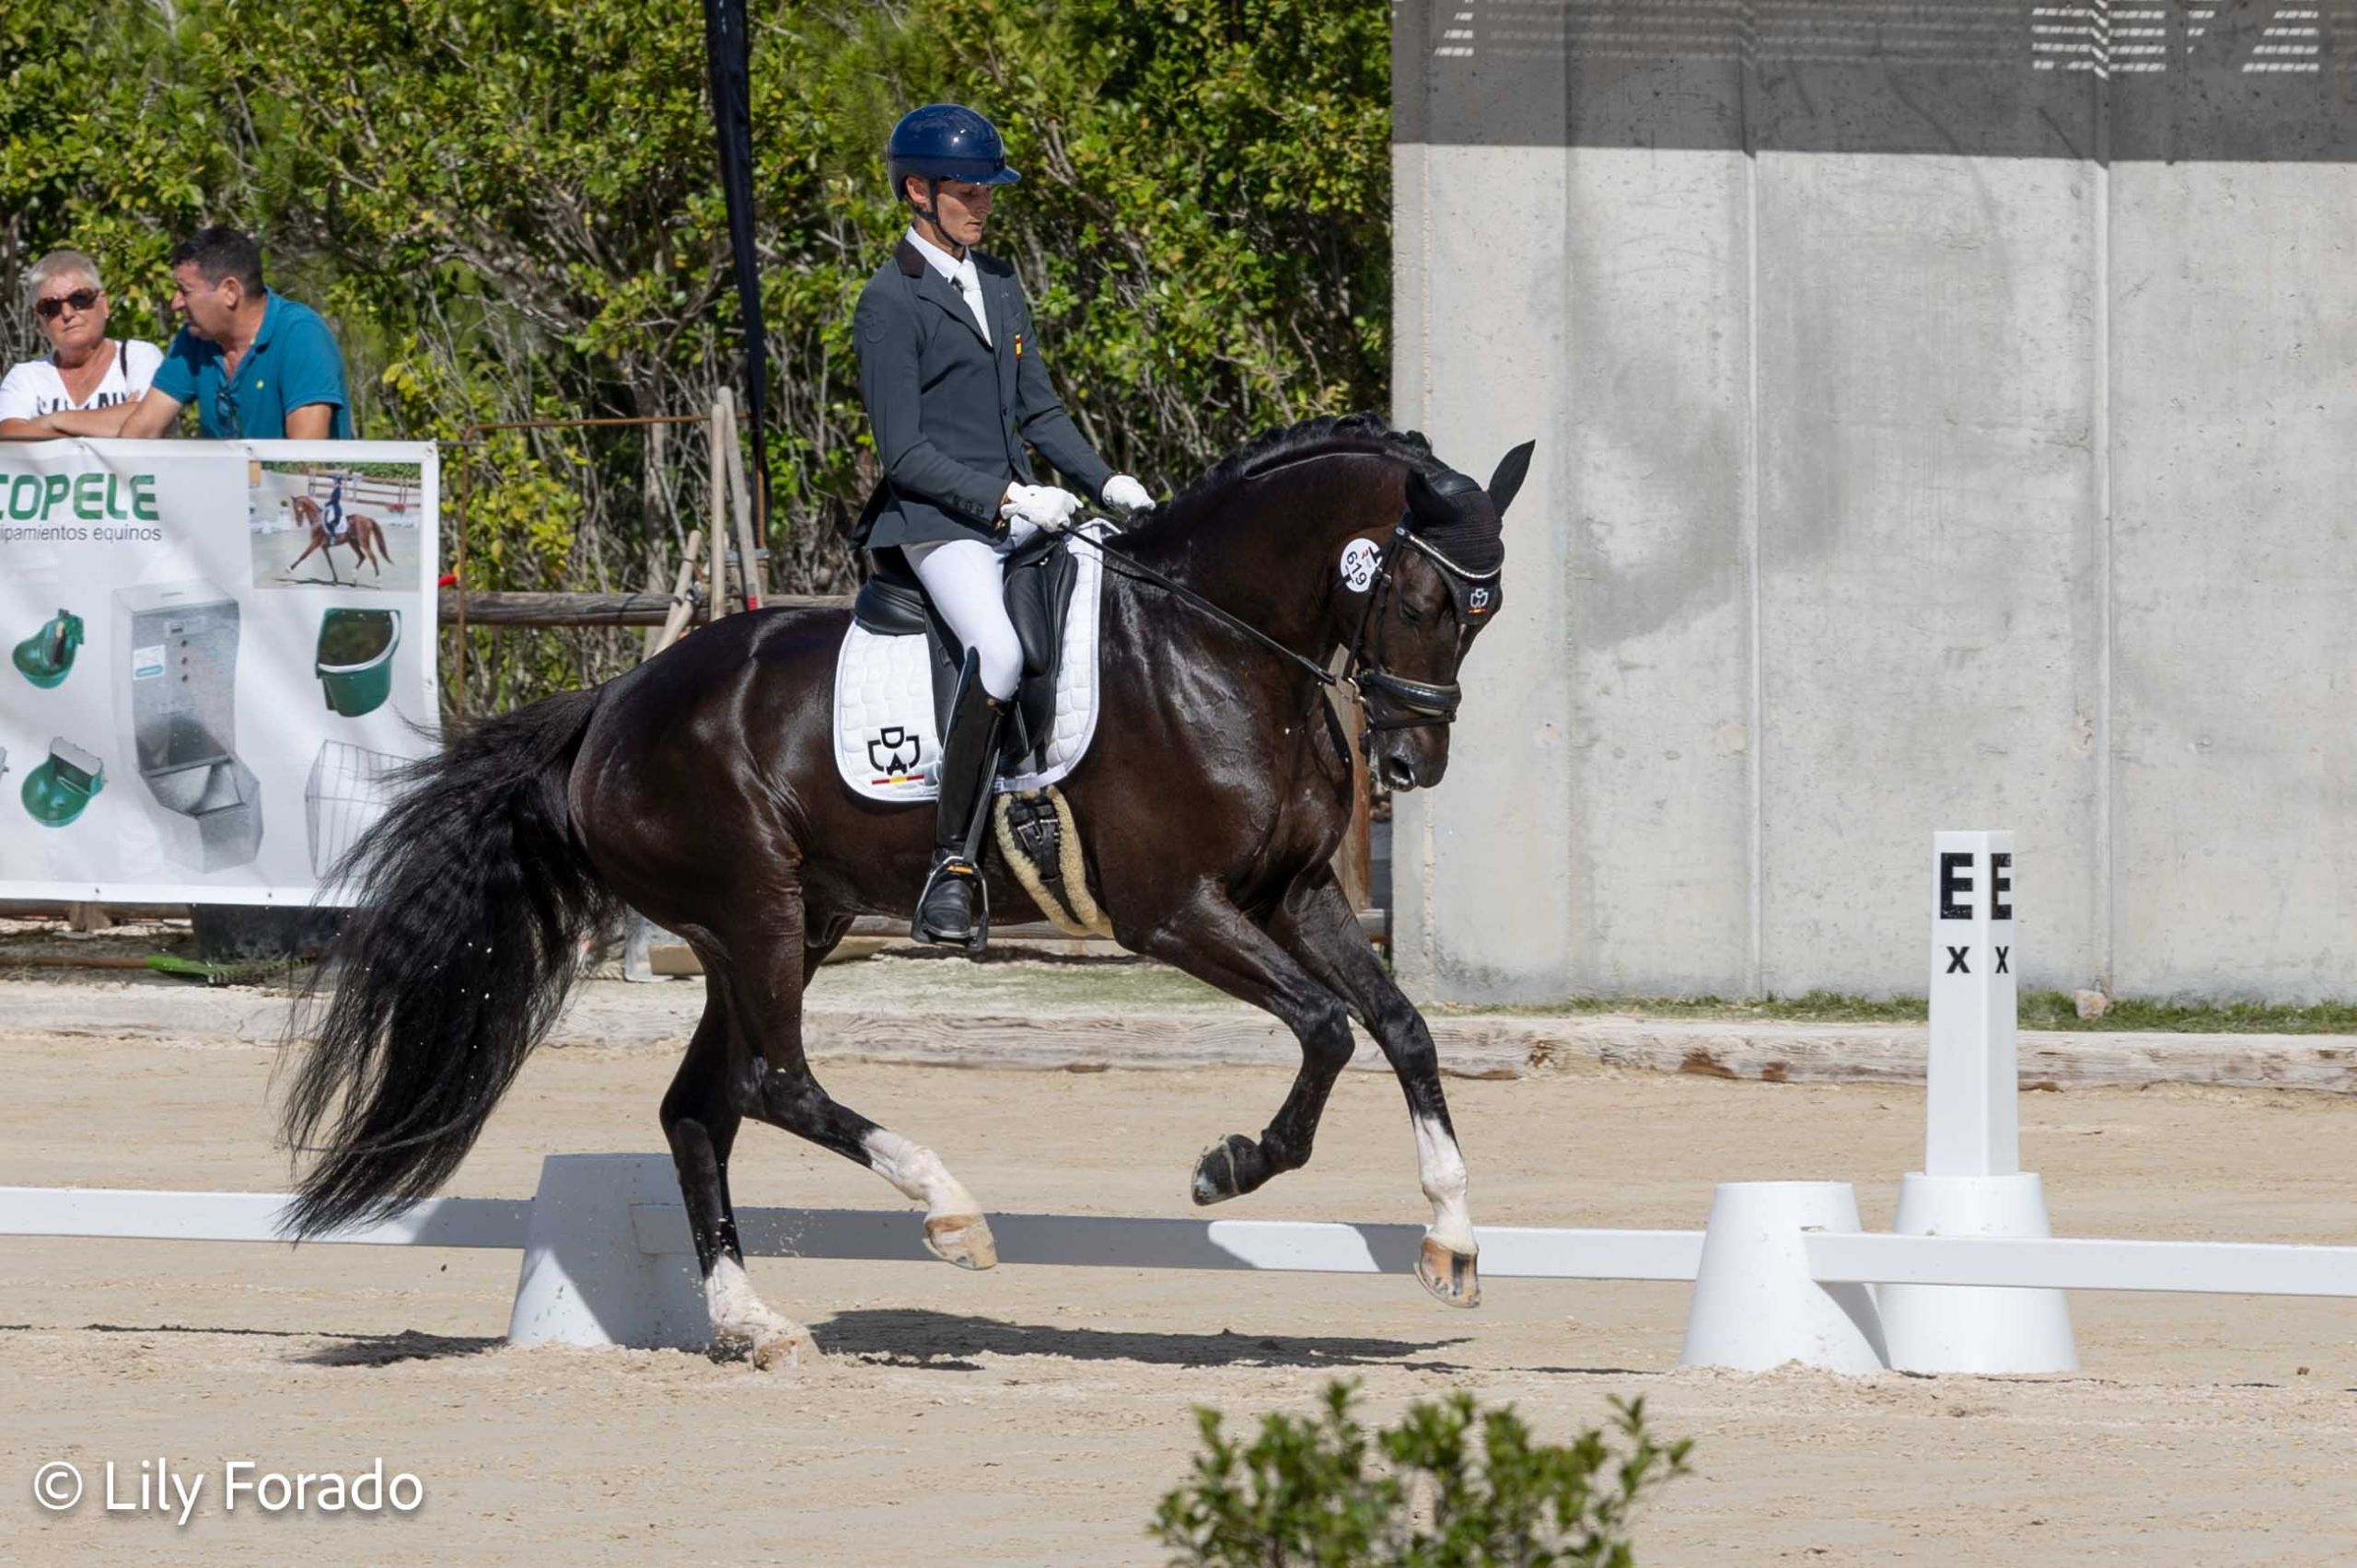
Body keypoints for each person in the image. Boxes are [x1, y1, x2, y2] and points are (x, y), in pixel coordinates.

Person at [853, 103, 1155, 953]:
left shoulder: (1000, 283)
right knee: (1001, 649)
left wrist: (1107, 480)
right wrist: (1011, 502)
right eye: (967, 190)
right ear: (917, 191)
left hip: (1013, 507)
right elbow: (904, 451)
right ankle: (950, 864)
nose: (983, 205)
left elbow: (1040, 410)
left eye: (989, 191)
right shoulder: (889, 303)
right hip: (938, 523)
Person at [24, 226, 351, 441]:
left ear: (229, 292)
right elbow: (142, 430)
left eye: (185, 290)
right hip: (224, 514)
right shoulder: (194, 340)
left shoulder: (300, 335)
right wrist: (48, 423)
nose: (175, 302)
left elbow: (305, 460)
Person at [0, 250, 164, 437]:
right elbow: (9, 435)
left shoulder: (138, 357)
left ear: (104, 305)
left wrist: (51, 421)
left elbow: (148, 424)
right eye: (50, 307)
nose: (67, 314)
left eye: (79, 299)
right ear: (39, 323)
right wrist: (113, 424)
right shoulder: (26, 376)